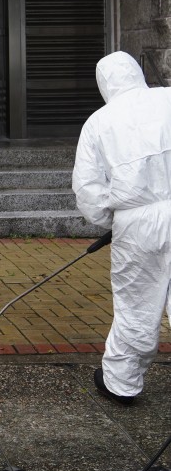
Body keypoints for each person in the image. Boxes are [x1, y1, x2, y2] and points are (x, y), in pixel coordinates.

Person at [72, 50, 171, 406]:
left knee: (136, 305)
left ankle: (122, 383)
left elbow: (88, 189)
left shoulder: (99, 122)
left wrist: (112, 220)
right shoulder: (168, 97)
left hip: (137, 224)